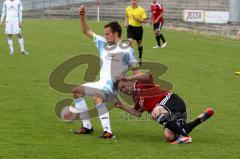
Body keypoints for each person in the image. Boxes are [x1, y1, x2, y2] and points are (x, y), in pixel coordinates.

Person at [69, 5, 141, 138]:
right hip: (101, 83)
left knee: (97, 97)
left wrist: (137, 92)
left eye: (107, 34)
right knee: (76, 91)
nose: (105, 36)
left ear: (116, 34)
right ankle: (87, 126)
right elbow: (87, 31)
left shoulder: (127, 50)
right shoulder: (103, 43)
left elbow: (136, 72)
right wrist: (82, 16)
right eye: (104, 34)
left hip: (112, 88)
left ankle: (108, 132)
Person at [114, 73, 214, 144]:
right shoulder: (135, 98)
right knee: (170, 136)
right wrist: (122, 106)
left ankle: (185, 137)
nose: (124, 90)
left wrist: (128, 77)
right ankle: (199, 120)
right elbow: (137, 113)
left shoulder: (141, 82)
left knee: (155, 112)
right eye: (121, 90)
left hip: (172, 101)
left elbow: (147, 75)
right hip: (169, 111)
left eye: (123, 86)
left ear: (127, 81)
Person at [125, 0, 147, 65]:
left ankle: (140, 58)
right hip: (130, 28)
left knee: (139, 43)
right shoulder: (128, 8)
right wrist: (126, 23)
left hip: (138, 29)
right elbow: (126, 16)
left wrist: (139, 19)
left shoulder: (141, 10)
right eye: (132, 0)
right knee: (129, 42)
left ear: (137, 1)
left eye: (135, 0)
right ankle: (131, 59)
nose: (133, 2)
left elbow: (145, 21)